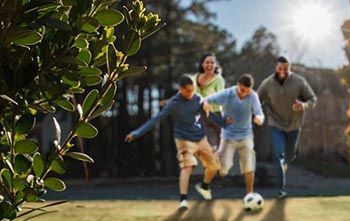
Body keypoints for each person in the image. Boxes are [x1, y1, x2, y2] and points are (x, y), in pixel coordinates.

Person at [126, 75, 220, 211]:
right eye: (187, 91)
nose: (190, 94)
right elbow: (156, 118)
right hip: (183, 139)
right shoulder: (173, 104)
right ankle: (183, 200)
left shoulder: (197, 98)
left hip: (199, 137)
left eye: (192, 90)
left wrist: (206, 107)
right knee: (187, 167)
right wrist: (137, 133)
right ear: (181, 89)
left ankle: (204, 186)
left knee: (213, 167)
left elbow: (204, 109)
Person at [199, 74, 265, 207]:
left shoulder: (252, 96)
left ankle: (249, 196)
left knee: (249, 166)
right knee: (223, 169)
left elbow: (259, 113)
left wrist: (259, 118)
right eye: (242, 90)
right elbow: (205, 100)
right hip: (228, 136)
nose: (244, 94)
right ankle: (204, 185)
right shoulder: (227, 94)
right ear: (238, 86)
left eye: (247, 91)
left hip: (246, 135)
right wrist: (206, 105)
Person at [256, 56, 317, 198]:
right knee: (278, 154)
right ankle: (281, 190)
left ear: (290, 68)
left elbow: (312, 99)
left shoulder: (299, 81)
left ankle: (287, 159)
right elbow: (256, 100)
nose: (282, 71)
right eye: (280, 69)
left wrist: (303, 105)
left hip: (294, 126)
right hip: (275, 124)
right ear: (276, 68)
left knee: (289, 155)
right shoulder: (267, 83)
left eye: (286, 69)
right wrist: (256, 113)